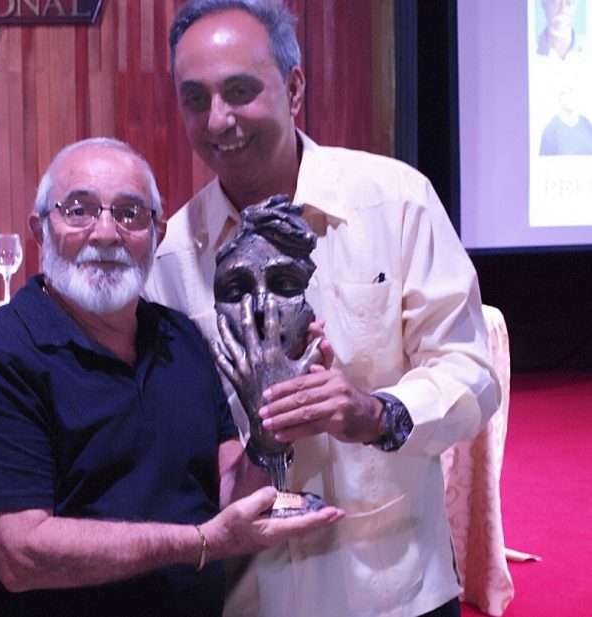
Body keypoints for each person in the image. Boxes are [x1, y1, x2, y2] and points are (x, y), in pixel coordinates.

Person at [143, 1, 501, 616]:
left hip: (393, 586)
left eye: (240, 91)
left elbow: (471, 372)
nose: (219, 119)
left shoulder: (396, 201)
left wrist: (373, 411)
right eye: (195, 98)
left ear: (294, 86)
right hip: (249, 596)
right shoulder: (172, 256)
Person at [0, 137, 342, 617]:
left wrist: (270, 420)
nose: (106, 233)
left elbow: (229, 495)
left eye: (131, 213)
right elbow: (21, 555)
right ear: (39, 229)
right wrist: (199, 542)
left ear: (157, 232)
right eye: (78, 210)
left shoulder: (180, 340)